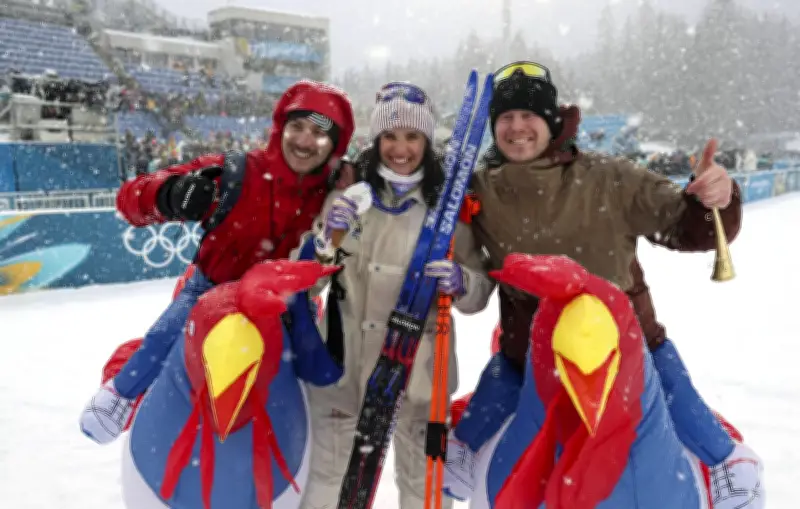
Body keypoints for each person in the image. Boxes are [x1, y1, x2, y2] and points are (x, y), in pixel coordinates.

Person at [443, 61, 760, 503]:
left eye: (528, 115)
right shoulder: (481, 190)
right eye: (506, 118)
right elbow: (470, 266)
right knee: (493, 391)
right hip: (527, 353)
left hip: (626, 346)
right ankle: (463, 452)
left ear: (552, 122)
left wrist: (713, 200)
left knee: (672, 389)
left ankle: (726, 461)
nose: (517, 128)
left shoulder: (609, 177)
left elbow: (686, 226)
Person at [80, 80, 355, 445]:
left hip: (286, 307)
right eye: (298, 127)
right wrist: (169, 195)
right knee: (167, 336)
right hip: (213, 290)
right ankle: (123, 393)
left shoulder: (337, 192)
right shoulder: (235, 172)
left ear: (335, 145)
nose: (305, 141)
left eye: (320, 134)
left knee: (317, 374)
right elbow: (130, 200)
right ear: (281, 128)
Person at [296, 82, 494, 509]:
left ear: (426, 141)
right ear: (376, 139)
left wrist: (461, 280)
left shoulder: (448, 208)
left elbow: (477, 294)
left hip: (420, 378)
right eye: (390, 136)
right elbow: (307, 281)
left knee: (423, 494)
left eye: (412, 137)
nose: (400, 149)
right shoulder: (348, 199)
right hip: (343, 375)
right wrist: (326, 238)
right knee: (327, 489)